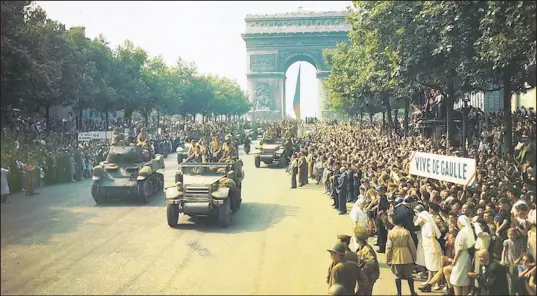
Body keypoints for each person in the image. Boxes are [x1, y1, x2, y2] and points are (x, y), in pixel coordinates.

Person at [386, 213, 418, 296]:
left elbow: (388, 247)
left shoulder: (391, 233)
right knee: (409, 275)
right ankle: (412, 292)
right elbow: (412, 246)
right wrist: (414, 257)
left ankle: (399, 293)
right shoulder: (406, 232)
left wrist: (387, 258)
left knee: (398, 276)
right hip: (407, 255)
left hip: (396, 255)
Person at [450, 215, 476, 296]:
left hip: (461, 257)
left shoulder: (462, 232)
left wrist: (455, 259)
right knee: (464, 279)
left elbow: (460, 248)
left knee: (456, 279)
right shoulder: (467, 231)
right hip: (466, 256)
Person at [354, 226, 380, 295]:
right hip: (366, 276)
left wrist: (362, 271)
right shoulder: (362, 248)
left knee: (365, 293)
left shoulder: (366, 249)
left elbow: (371, 262)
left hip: (368, 276)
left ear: (357, 239)